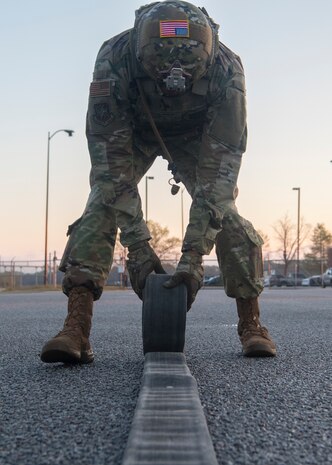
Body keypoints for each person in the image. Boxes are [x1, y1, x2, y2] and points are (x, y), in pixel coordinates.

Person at [40, 0, 276, 364]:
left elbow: (218, 182)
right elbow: (111, 169)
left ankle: (252, 323)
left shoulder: (228, 71)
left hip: (198, 135)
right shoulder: (114, 59)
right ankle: (77, 327)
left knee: (224, 211)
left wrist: (193, 259)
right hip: (136, 129)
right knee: (102, 202)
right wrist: (138, 249)